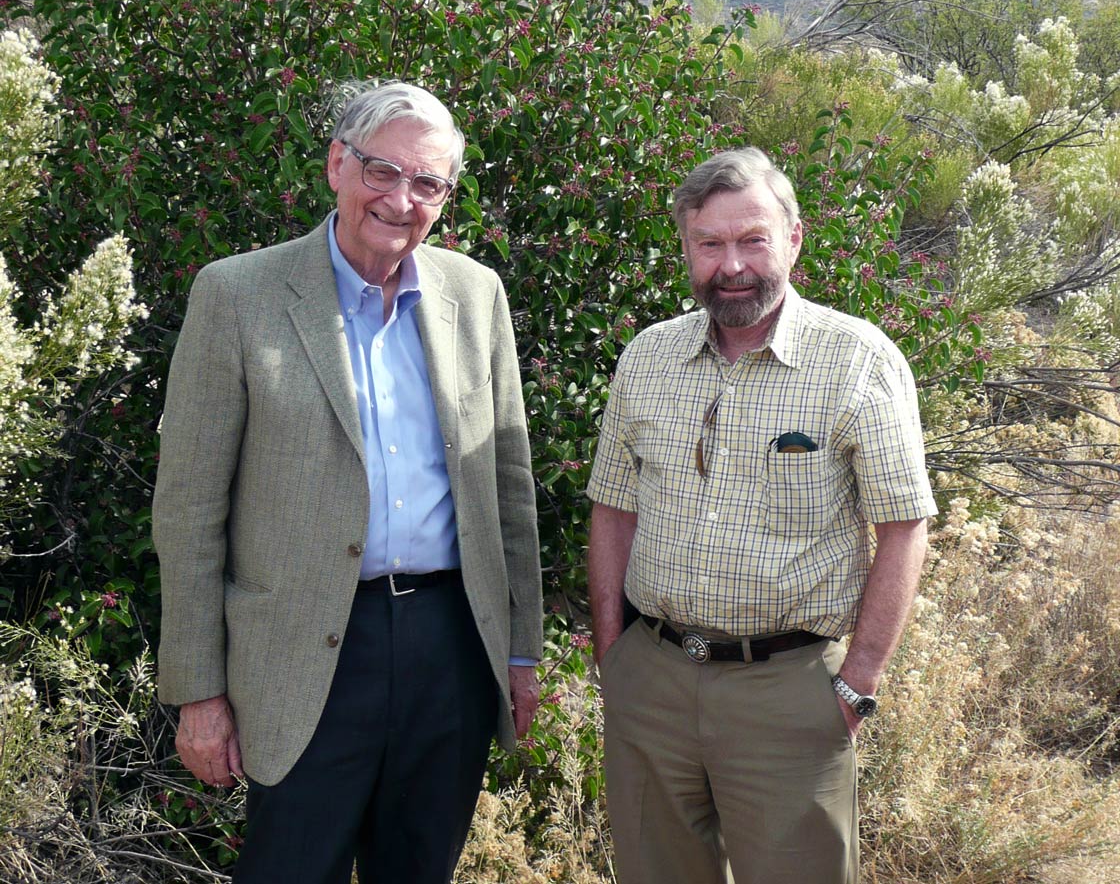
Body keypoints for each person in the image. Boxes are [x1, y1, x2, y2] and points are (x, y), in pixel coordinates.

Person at [153, 80, 543, 884]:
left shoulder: (477, 295)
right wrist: (198, 691)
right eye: (382, 171)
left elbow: (509, 485)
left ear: (446, 196)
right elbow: (189, 510)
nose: (401, 200)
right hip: (303, 655)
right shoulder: (237, 295)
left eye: (428, 182)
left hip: (449, 647)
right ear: (337, 164)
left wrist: (520, 649)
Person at [586, 146, 937, 884]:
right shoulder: (646, 358)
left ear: (794, 238)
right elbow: (613, 508)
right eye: (709, 244)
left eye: (753, 239)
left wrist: (858, 682)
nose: (733, 265)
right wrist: (614, 654)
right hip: (652, 680)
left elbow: (904, 527)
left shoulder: (858, 360)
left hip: (789, 692)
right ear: (686, 248)